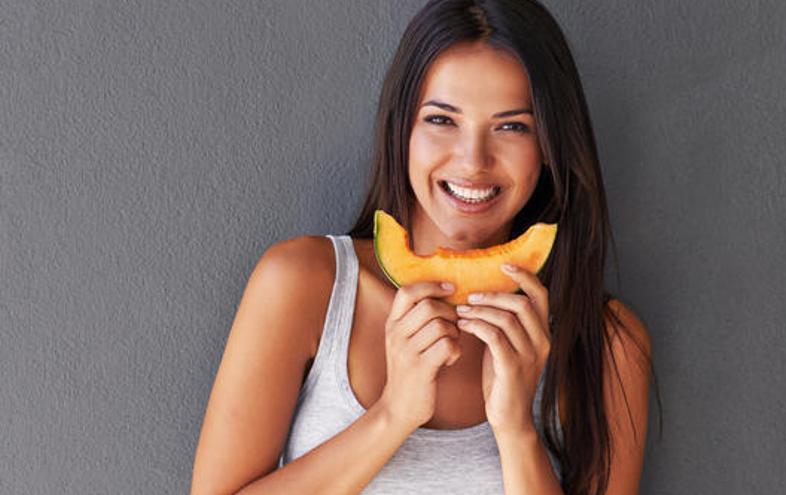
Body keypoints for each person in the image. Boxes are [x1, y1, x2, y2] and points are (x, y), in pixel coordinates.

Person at [191, 0, 661, 494]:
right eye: (442, 120)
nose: (473, 161)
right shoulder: (304, 282)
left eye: (512, 126)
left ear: (549, 146)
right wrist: (394, 414)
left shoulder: (609, 344)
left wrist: (516, 431)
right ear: (403, 130)